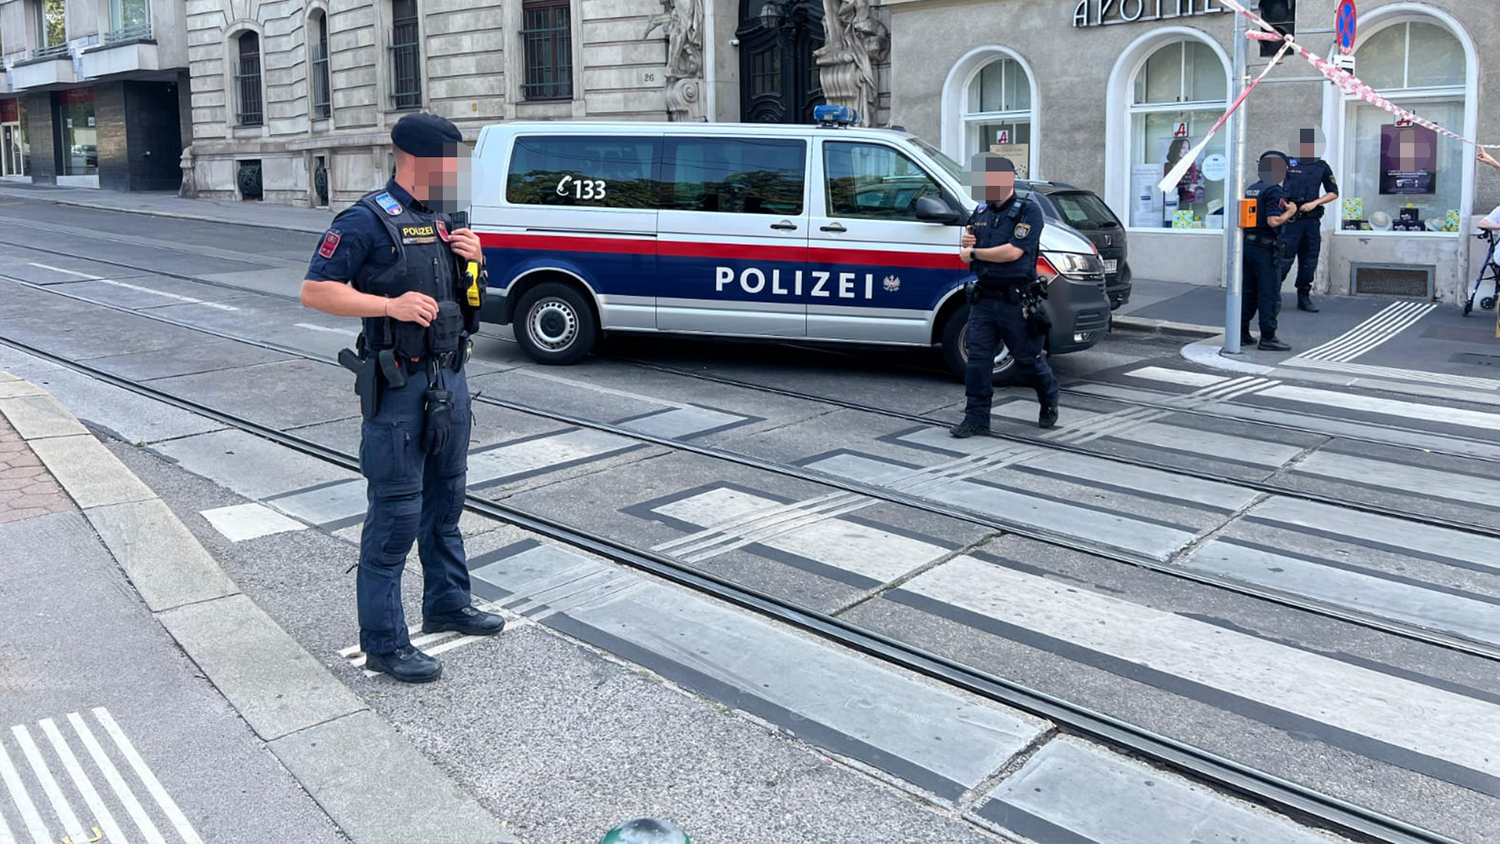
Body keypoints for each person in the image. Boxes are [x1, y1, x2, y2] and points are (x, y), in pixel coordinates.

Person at [300, 113, 503, 683]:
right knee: (396, 515)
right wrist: (387, 306)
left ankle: (447, 602)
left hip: (450, 379)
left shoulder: (447, 218)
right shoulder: (366, 220)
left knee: (447, 502)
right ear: (415, 160)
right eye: (450, 161)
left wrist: (477, 262)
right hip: (399, 387)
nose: (457, 173)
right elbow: (314, 290)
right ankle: (385, 642)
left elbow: (471, 304)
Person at [951, 153, 1059, 438]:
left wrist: (972, 251)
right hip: (984, 298)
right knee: (977, 360)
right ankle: (976, 418)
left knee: (1027, 362)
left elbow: (1013, 252)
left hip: (1017, 300)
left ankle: (1049, 397)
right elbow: (968, 257)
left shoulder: (1028, 211)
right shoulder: (981, 212)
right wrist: (967, 245)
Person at [1242, 151, 1299, 351]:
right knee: (1269, 292)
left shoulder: (1252, 189)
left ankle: (1242, 333)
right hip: (1265, 248)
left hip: (1248, 246)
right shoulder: (1274, 190)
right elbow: (1272, 221)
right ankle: (1268, 337)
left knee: (1248, 291)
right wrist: (1290, 212)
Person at [1279, 126, 1340, 312]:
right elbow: (1271, 185)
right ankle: (1271, 295)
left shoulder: (1321, 166)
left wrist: (1315, 202)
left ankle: (1303, 296)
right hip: (1290, 221)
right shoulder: (1287, 162)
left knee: (1309, 260)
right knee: (1283, 260)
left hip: (1311, 221)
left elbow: (1333, 192)